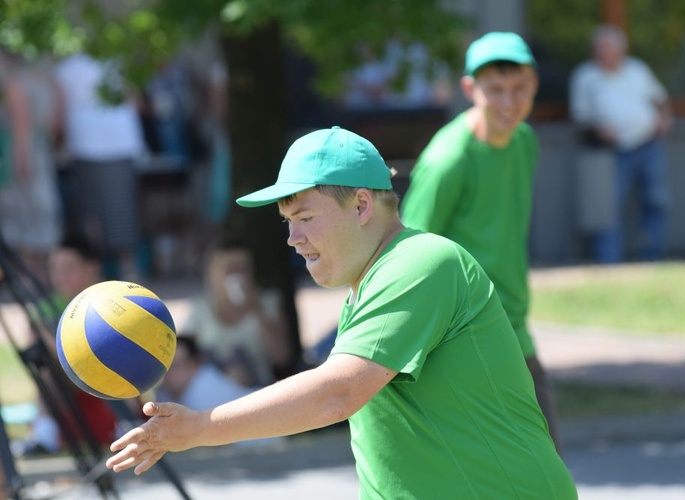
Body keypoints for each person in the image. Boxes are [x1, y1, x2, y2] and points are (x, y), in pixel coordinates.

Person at [107, 126, 578, 499]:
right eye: (288, 222)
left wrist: (198, 428)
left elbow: (339, 392)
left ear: (361, 205)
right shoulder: (370, 284)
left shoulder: (421, 263)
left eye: (306, 218)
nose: (293, 239)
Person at [399, 31, 562, 450]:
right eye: (496, 90)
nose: (510, 103)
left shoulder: (525, 141)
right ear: (470, 89)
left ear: (535, 84)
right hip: (465, 338)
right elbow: (407, 255)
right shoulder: (449, 159)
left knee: (545, 472)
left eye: (519, 88)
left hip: (513, 326)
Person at [569, 24, 673, 264]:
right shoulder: (585, 76)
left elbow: (660, 98)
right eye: (599, 49)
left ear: (621, 50)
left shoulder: (638, 69)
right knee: (608, 208)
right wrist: (599, 131)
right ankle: (609, 264)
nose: (602, 53)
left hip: (648, 144)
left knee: (655, 201)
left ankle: (652, 259)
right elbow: (580, 117)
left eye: (608, 48)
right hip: (611, 151)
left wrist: (665, 120)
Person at [13, 234, 118, 455]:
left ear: (92, 268)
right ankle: (44, 431)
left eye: (68, 268)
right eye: (55, 269)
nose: (60, 277)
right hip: (68, 392)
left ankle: (124, 422)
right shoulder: (45, 309)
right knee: (46, 364)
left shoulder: (116, 300)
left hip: (111, 388)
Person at [55, 52, 148, 281]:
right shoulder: (117, 60)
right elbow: (136, 102)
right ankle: (128, 271)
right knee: (121, 212)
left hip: (85, 143)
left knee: (93, 214)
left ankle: (96, 274)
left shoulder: (66, 67)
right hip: (118, 143)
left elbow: (59, 109)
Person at [181, 237, 292, 388]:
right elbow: (183, 353)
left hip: (258, 389)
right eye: (229, 268)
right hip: (213, 388)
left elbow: (282, 358)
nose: (237, 274)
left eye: (243, 267)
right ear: (212, 274)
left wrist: (256, 309)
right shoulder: (200, 309)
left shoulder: (268, 302)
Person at [0, 50, 63, 285]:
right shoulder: (43, 80)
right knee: (41, 215)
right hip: (41, 151)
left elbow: (21, 125)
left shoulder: (14, 84)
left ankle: (30, 280)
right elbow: (55, 123)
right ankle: (43, 279)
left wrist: (21, 159)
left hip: (22, 154)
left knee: (24, 216)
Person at [156, 335, 256, 411]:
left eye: (177, 366)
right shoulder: (164, 391)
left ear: (195, 364)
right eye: (166, 366)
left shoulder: (205, 390)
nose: (169, 372)